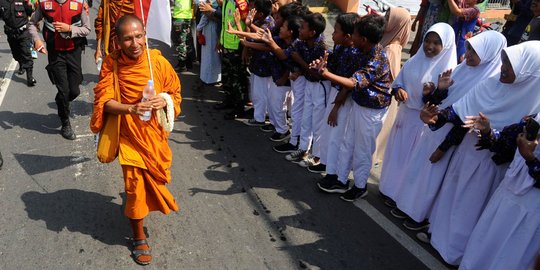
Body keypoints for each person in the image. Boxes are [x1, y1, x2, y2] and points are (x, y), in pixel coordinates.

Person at [419, 41, 540, 266]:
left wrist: (487, 133)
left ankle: (454, 252)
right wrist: (434, 118)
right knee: (451, 195)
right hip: (466, 151)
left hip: (490, 165)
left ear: (529, 71)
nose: (503, 67)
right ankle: (438, 237)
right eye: (503, 61)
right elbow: (460, 111)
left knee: (469, 207)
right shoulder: (491, 84)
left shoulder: (532, 107)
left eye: (510, 64)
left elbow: (509, 149)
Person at [90, 15, 182, 265]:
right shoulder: (112, 64)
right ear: (118, 41)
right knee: (134, 189)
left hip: (154, 136)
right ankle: (139, 237)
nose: (135, 43)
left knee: (152, 179)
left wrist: (164, 100)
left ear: (145, 35)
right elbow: (104, 101)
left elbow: (175, 93)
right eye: (128, 38)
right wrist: (130, 109)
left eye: (139, 36)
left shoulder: (158, 63)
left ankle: (138, 213)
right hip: (129, 135)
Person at [395, 31, 506, 231]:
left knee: (433, 178)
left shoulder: (486, 81)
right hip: (433, 127)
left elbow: (465, 119)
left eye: (475, 52)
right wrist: (440, 90)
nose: (469, 54)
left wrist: (444, 147)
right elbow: (440, 102)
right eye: (469, 48)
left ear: (489, 54)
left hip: (450, 139)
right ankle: (407, 205)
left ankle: (420, 216)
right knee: (419, 170)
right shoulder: (462, 69)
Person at [378, 23, 456, 212]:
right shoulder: (415, 60)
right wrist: (399, 90)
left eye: (436, 43)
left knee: (409, 159)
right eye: (427, 41)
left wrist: (430, 94)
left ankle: (399, 195)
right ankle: (388, 188)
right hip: (405, 115)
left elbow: (443, 103)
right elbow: (399, 81)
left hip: (421, 123)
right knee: (397, 153)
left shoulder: (449, 70)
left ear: (445, 45)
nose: (429, 46)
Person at [314, 14, 391, 202]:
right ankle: (341, 180)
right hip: (359, 103)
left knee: (362, 149)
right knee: (348, 143)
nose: (351, 38)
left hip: (372, 110)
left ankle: (360, 186)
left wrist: (325, 73)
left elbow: (352, 82)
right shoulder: (362, 50)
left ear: (363, 39)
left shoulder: (377, 58)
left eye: (354, 35)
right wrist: (323, 65)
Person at [458, 113, 540, 270]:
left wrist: (530, 159)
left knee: (512, 254)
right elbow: (505, 144)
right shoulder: (535, 117)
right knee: (487, 243)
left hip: (533, 208)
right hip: (508, 192)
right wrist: (488, 131)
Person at [306, 12, 361, 174]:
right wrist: (321, 65)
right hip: (333, 92)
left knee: (337, 134)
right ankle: (325, 161)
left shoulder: (355, 54)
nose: (332, 34)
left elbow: (348, 84)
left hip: (343, 99)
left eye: (336, 31)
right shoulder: (339, 47)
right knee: (328, 131)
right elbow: (331, 65)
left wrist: (336, 107)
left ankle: (334, 171)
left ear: (348, 36)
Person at [29, 0, 91, 140]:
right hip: (55, 53)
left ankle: (62, 99)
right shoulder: (44, 3)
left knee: (74, 90)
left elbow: (87, 29)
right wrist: (37, 40)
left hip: (74, 52)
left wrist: (69, 28)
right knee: (64, 91)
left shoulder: (80, 3)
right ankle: (65, 123)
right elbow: (32, 23)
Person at [373, 7, 411, 166]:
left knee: (376, 133)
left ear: (397, 23)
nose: (384, 18)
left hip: (381, 95)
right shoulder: (389, 40)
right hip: (381, 94)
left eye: (389, 17)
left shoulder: (392, 47)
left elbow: (393, 77)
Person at [216, 0, 250, 120]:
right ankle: (229, 101)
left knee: (237, 80)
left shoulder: (240, 2)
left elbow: (247, 26)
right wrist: (220, 41)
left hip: (237, 47)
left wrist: (245, 47)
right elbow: (225, 23)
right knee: (227, 77)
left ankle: (239, 108)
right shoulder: (226, 2)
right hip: (227, 45)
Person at [0, 0, 36, 86]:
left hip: (23, 32)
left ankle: (30, 77)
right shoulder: (2, 2)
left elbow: (30, 13)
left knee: (26, 53)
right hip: (11, 33)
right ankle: (21, 64)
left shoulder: (22, 0)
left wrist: (29, 6)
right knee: (16, 54)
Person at [94, 0, 135, 64]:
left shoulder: (137, 3)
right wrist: (98, 48)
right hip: (113, 46)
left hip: (132, 46)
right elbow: (100, 22)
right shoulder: (107, 1)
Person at [196, 0, 222, 84]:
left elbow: (205, 16)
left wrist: (198, 28)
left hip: (211, 30)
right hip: (213, 29)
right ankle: (213, 78)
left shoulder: (213, 4)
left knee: (209, 55)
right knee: (213, 55)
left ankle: (208, 78)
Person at [172, 0, 195, 71]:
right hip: (187, 16)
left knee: (181, 41)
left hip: (179, 16)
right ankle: (189, 63)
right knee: (187, 39)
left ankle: (182, 64)